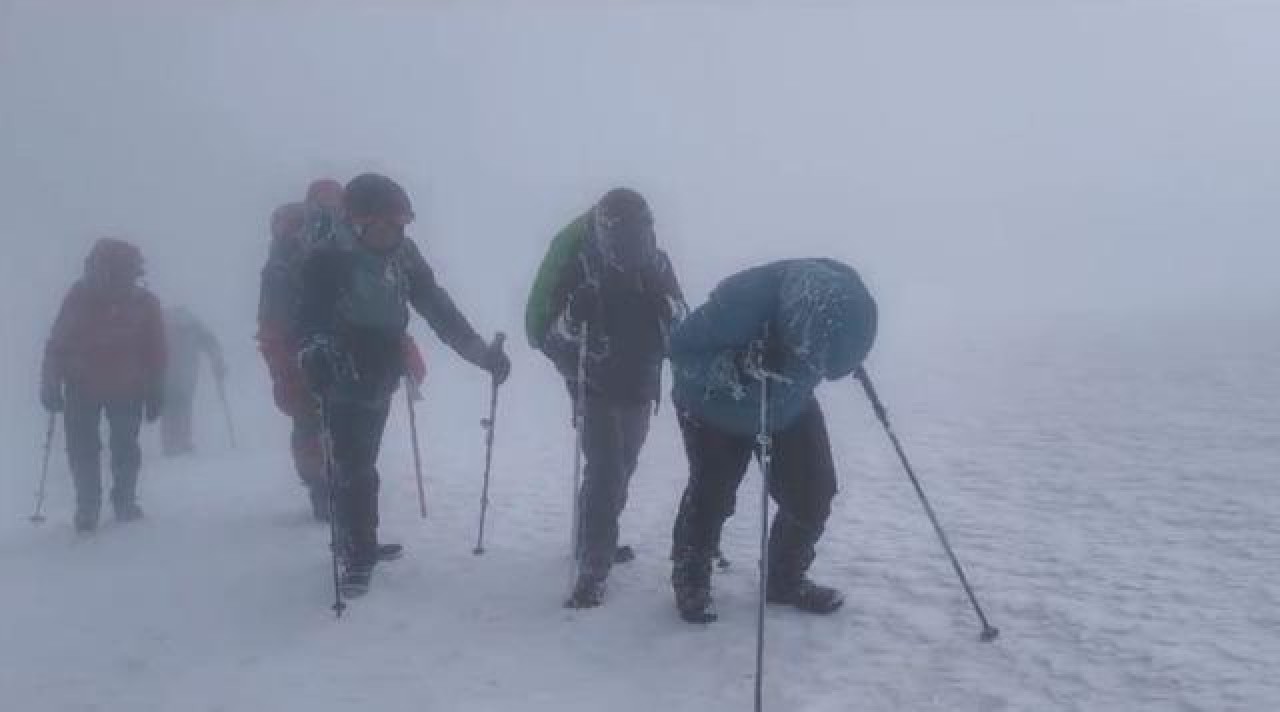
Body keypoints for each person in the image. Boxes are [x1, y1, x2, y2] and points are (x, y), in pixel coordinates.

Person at [297, 173, 510, 596]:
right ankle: (357, 552)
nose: (393, 233)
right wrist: (317, 353)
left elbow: (435, 305)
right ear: (357, 222)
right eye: (384, 225)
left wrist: (481, 354)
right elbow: (310, 318)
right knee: (354, 462)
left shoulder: (402, 255)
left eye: (400, 224)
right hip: (341, 366)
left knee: (362, 458)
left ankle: (358, 540)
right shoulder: (327, 257)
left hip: (381, 364)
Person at [667, 258, 877, 623]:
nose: (818, 366)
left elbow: (832, 351)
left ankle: (784, 578)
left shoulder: (843, 309)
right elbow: (681, 353)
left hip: (787, 406)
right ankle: (691, 578)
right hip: (714, 408)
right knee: (712, 493)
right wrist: (738, 366)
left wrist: (845, 357)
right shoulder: (741, 303)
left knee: (813, 491)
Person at [527, 188, 687, 608]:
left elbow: (683, 326)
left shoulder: (659, 264)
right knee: (605, 470)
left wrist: (666, 305)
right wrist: (573, 316)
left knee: (622, 467)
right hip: (593, 384)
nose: (633, 243)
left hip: (639, 383)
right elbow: (550, 338)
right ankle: (594, 566)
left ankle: (593, 538)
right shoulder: (582, 268)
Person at [258, 193, 427, 521]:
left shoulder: (301, 255)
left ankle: (329, 496)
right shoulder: (329, 253)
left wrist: (283, 364)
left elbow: (274, 321)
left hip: (308, 351)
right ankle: (334, 502)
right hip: (336, 354)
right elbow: (381, 311)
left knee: (314, 422)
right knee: (337, 436)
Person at [40, 238, 167, 532]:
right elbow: (156, 351)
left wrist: (50, 382)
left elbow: (57, 343)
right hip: (114, 385)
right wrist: (156, 387)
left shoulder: (84, 296)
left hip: (93, 384)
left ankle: (95, 506)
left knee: (91, 447)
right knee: (117, 446)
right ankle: (110, 504)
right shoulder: (140, 302)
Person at [160, 306, 226, 456]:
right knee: (182, 404)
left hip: (171, 374)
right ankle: (181, 441)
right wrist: (217, 361)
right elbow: (211, 344)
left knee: (170, 407)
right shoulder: (194, 325)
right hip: (183, 373)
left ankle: (172, 443)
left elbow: (211, 343)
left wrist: (217, 361)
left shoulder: (166, 324)